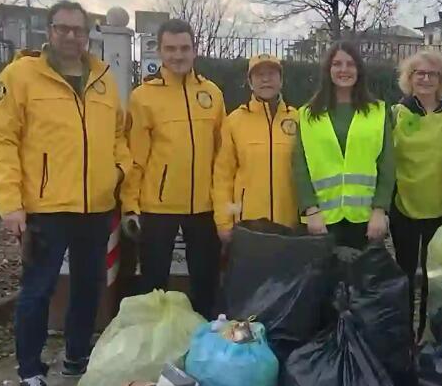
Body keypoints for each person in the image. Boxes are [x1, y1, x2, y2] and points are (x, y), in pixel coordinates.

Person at [0, 0, 131, 386]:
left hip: (96, 206)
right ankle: (30, 371)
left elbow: (119, 133)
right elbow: (1, 141)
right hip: (45, 208)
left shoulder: (103, 77)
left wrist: (118, 169)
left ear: (89, 34)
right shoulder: (20, 76)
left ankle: (77, 355)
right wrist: (10, 204)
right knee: (38, 291)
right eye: (62, 28)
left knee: (89, 287)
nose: (71, 36)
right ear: (49, 31)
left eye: (78, 29)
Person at [121, 19, 225, 318]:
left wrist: (224, 202)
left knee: (206, 286)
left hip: (204, 207)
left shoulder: (212, 94)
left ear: (194, 50)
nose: (178, 55)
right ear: (160, 51)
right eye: (171, 49)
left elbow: (222, 155)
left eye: (184, 48)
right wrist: (130, 205)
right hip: (158, 207)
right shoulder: (144, 97)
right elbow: (135, 157)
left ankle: (205, 349)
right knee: (154, 287)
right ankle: (152, 350)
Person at [293, 42, 395, 249]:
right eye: (337, 64)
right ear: (327, 70)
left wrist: (380, 210)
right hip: (321, 219)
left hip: (365, 220)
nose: (344, 70)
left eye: (350, 64)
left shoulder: (378, 111)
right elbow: (300, 166)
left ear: (359, 70)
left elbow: (387, 164)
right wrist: (310, 210)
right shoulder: (307, 114)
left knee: (362, 280)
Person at [391, 50, 442, 338]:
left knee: (434, 278)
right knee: (405, 276)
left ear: (441, 80)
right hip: (404, 207)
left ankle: (429, 335)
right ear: (409, 78)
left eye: (432, 74)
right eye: (419, 73)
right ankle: (403, 335)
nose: (425, 78)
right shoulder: (396, 114)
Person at [212, 54, 300, 238]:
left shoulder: (298, 119)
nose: (266, 79)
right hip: (247, 226)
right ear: (250, 82)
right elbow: (222, 177)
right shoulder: (234, 121)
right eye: (259, 74)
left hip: (289, 225)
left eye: (271, 73)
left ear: (281, 80)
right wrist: (224, 222)